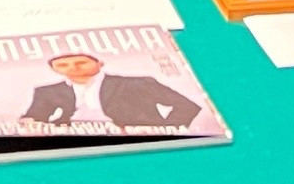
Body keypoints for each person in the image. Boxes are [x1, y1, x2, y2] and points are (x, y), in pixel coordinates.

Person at [19, 51, 203, 129]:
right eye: (62, 65)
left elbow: (187, 106)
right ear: (54, 69)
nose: (73, 68)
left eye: (81, 62)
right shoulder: (47, 91)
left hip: (132, 136)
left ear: (99, 63)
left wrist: (167, 130)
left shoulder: (137, 84)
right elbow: (36, 116)